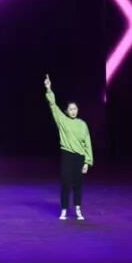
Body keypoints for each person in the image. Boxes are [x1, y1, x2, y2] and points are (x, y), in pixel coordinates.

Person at [43, 75, 92, 221]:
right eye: (71, 109)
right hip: (67, 155)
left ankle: (78, 209)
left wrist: (87, 161)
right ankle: (64, 209)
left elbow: (87, 143)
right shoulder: (62, 120)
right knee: (66, 182)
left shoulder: (83, 124)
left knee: (78, 184)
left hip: (79, 157)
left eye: (75, 108)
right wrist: (49, 88)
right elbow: (53, 105)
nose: (73, 111)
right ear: (66, 111)